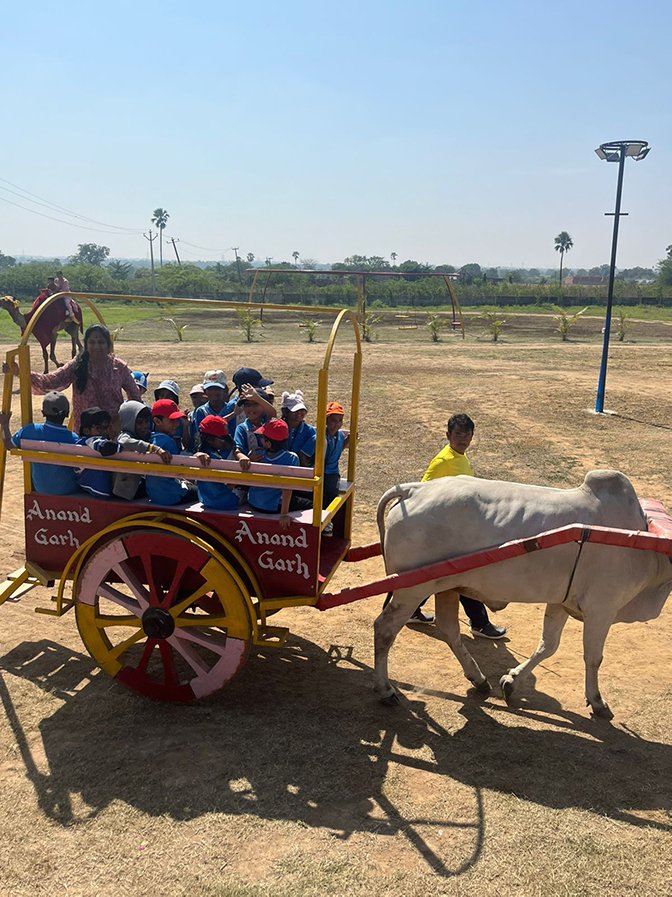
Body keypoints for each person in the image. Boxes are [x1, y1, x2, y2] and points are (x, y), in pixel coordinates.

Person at [408, 413, 507, 638]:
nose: (462, 439)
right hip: (442, 531)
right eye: (458, 434)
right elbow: (422, 493)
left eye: (467, 435)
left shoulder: (460, 457)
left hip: (455, 529)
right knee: (462, 575)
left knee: (439, 576)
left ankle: (410, 609)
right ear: (448, 435)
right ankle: (480, 623)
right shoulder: (444, 461)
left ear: (472, 436)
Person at [27, 323, 141, 433]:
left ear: (108, 345)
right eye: (92, 342)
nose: (96, 346)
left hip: (113, 431)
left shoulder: (119, 367)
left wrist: (130, 422)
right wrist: (23, 373)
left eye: (101, 342)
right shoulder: (77, 365)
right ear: (86, 345)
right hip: (85, 433)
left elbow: (135, 395)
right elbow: (52, 381)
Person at [0, 392, 79, 495]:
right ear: (67, 413)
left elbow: (8, 445)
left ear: (43, 413)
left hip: (40, 488)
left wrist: (4, 424)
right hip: (66, 489)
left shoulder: (29, 431)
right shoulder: (73, 439)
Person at [245, 419, 310, 527]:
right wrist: (284, 514)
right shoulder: (291, 458)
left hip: (253, 502)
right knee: (310, 503)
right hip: (273, 506)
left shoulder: (257, 454)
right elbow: (288, 487)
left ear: (268, 443)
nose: (260, 439)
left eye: (262, 437)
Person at [146, 399, 208, 506]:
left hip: (154, 495)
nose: (177, 424)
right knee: (200, 490)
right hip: (171, 496)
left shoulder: (150, 439)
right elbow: (180, 469)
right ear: (157, 421)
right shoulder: (168, 442)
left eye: (177, 420)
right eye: (172, 420)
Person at [113, 400, 171, 500]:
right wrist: (153, 448)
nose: (144, 426)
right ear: (129, 421)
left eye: (146, 422)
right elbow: (125, 441)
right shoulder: (125, 435)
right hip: (125, 491)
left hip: (138, 484)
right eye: (139, 422)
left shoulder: (143, 435)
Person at [196, 415, 242, 511]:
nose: (225, 442)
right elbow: (231, 482)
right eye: (222, 440)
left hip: (205, 500)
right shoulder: (214, 459)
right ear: (209, 439)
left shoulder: (198, 456)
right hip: (227, 502)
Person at [75, 407, 121, 498]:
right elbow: (105, 447)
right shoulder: (90, 441)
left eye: (107, 427)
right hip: (98, 488)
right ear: (86, 430)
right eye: (100, 428)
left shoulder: (82, 442)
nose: (105, 431)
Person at [232, 387, 275, 462]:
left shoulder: (268, 422)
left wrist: (257, 398)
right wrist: (243, 457)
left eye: (255, 404)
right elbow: (237, 450)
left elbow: (273, 413)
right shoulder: (242, 428)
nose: (251, 408)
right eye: (247, 405)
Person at [323, 401, 350, 508]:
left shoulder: (340, 436)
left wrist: (347, 441)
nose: (337, 424)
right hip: (322, 472)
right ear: (326, 420)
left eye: (340, 421)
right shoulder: (321, 437)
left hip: (332, 473)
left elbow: (337, 450)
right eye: (334, 420)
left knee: (331, 494)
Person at [281, 390, 316, 466]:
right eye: (295, 410)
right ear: (285, 411)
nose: (299, 412)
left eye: (302, 410)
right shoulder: (278, 428)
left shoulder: (309, 431)